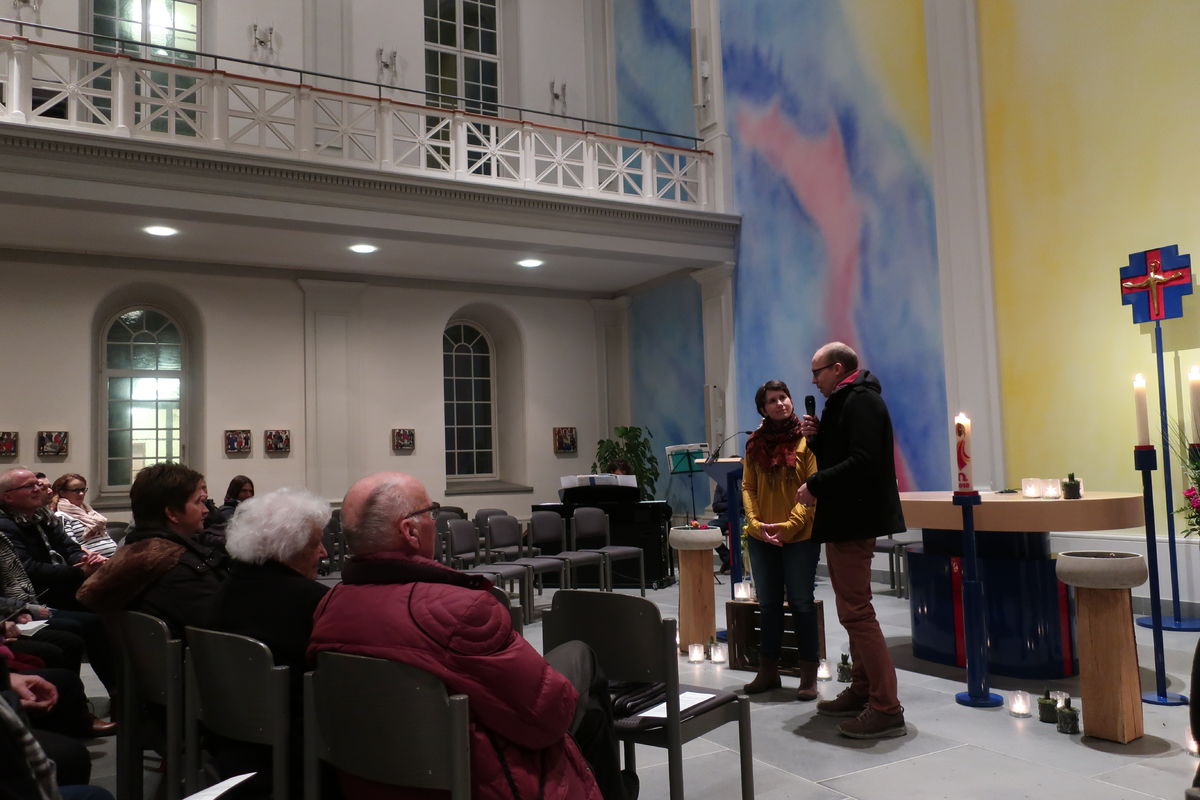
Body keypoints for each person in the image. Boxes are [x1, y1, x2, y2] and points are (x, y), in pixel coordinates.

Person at [309, 472, 627, 800]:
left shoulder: (328, 609)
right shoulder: (460, 610)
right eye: (430, 512)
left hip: (372, 783)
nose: (435, 521)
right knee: (581, 661)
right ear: (410, 531)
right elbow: (548, 716)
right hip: (477, 781)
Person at [796, 342, 907, 739]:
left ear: (838, 368)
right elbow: (842, 453)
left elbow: (864, 461)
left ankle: (886, 707)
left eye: (817, 372)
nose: (813, 380)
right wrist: (818, 439)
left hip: (854, 519)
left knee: (857, 613)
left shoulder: (861, 401)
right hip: (845, 518)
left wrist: (815, 484)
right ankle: (862, 689)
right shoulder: (845, 401)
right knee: (852, 611)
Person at [208, 487, 331, 799]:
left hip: (229, 740)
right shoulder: (313, 602)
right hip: (297, 754)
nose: (324, 553)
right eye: (315, 543)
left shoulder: (225, 589)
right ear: (287, 548)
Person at [77, 463, 231, 635]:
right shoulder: (180, 569)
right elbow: (227, 631)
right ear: (172, 513)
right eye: (198, 502)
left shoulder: (132, 552)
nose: (205, 510)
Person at [739, 379, 821, 700]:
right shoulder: (753, 444)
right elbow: (748, 487)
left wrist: (788, 526)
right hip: (761, 537)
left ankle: (808, 676)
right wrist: (755, 524)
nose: (780, 404)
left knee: (801, 603)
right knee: (768, 604)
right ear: (762, 409)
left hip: (800, 535)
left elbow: (813, 487)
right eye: (772, 400)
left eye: (783, 397)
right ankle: (768, 671)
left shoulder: (807, 439)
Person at [0, 469, 107, 610]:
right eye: (28, 486)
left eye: (37, 484)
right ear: (8, 497)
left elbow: (69, 547)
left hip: (64, 585)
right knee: (95, 617)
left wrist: (84, 559)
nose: (37, 489)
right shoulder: (4, 525)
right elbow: (28, 569)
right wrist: (80, 572)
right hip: (37, 597)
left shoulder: (45, 517)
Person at [51, 474, 118, 559]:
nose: (81, 493)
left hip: (113, 557)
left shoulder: (89, 511)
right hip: (94, 561)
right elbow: (72, 546)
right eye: (76, 490)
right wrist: (100, 559)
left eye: (83, 489)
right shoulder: (61, 516)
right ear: (62, 493)